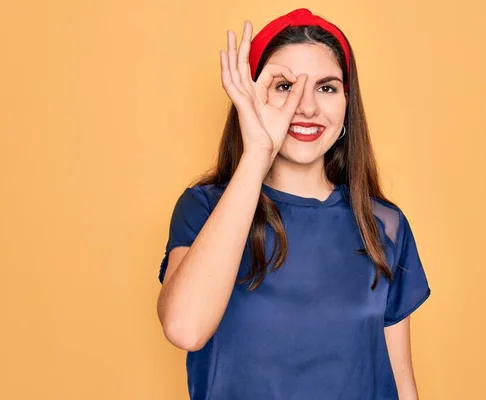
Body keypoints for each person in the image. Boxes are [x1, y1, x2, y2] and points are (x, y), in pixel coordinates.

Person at [156, 8, 431, 400]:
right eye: (284, 86)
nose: (306, 107)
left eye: (327, 87)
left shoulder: (382, 225)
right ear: (251, 97)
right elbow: (185, 328)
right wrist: (257, 154)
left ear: (347, 104)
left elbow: (401, 381)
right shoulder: (204, 208)